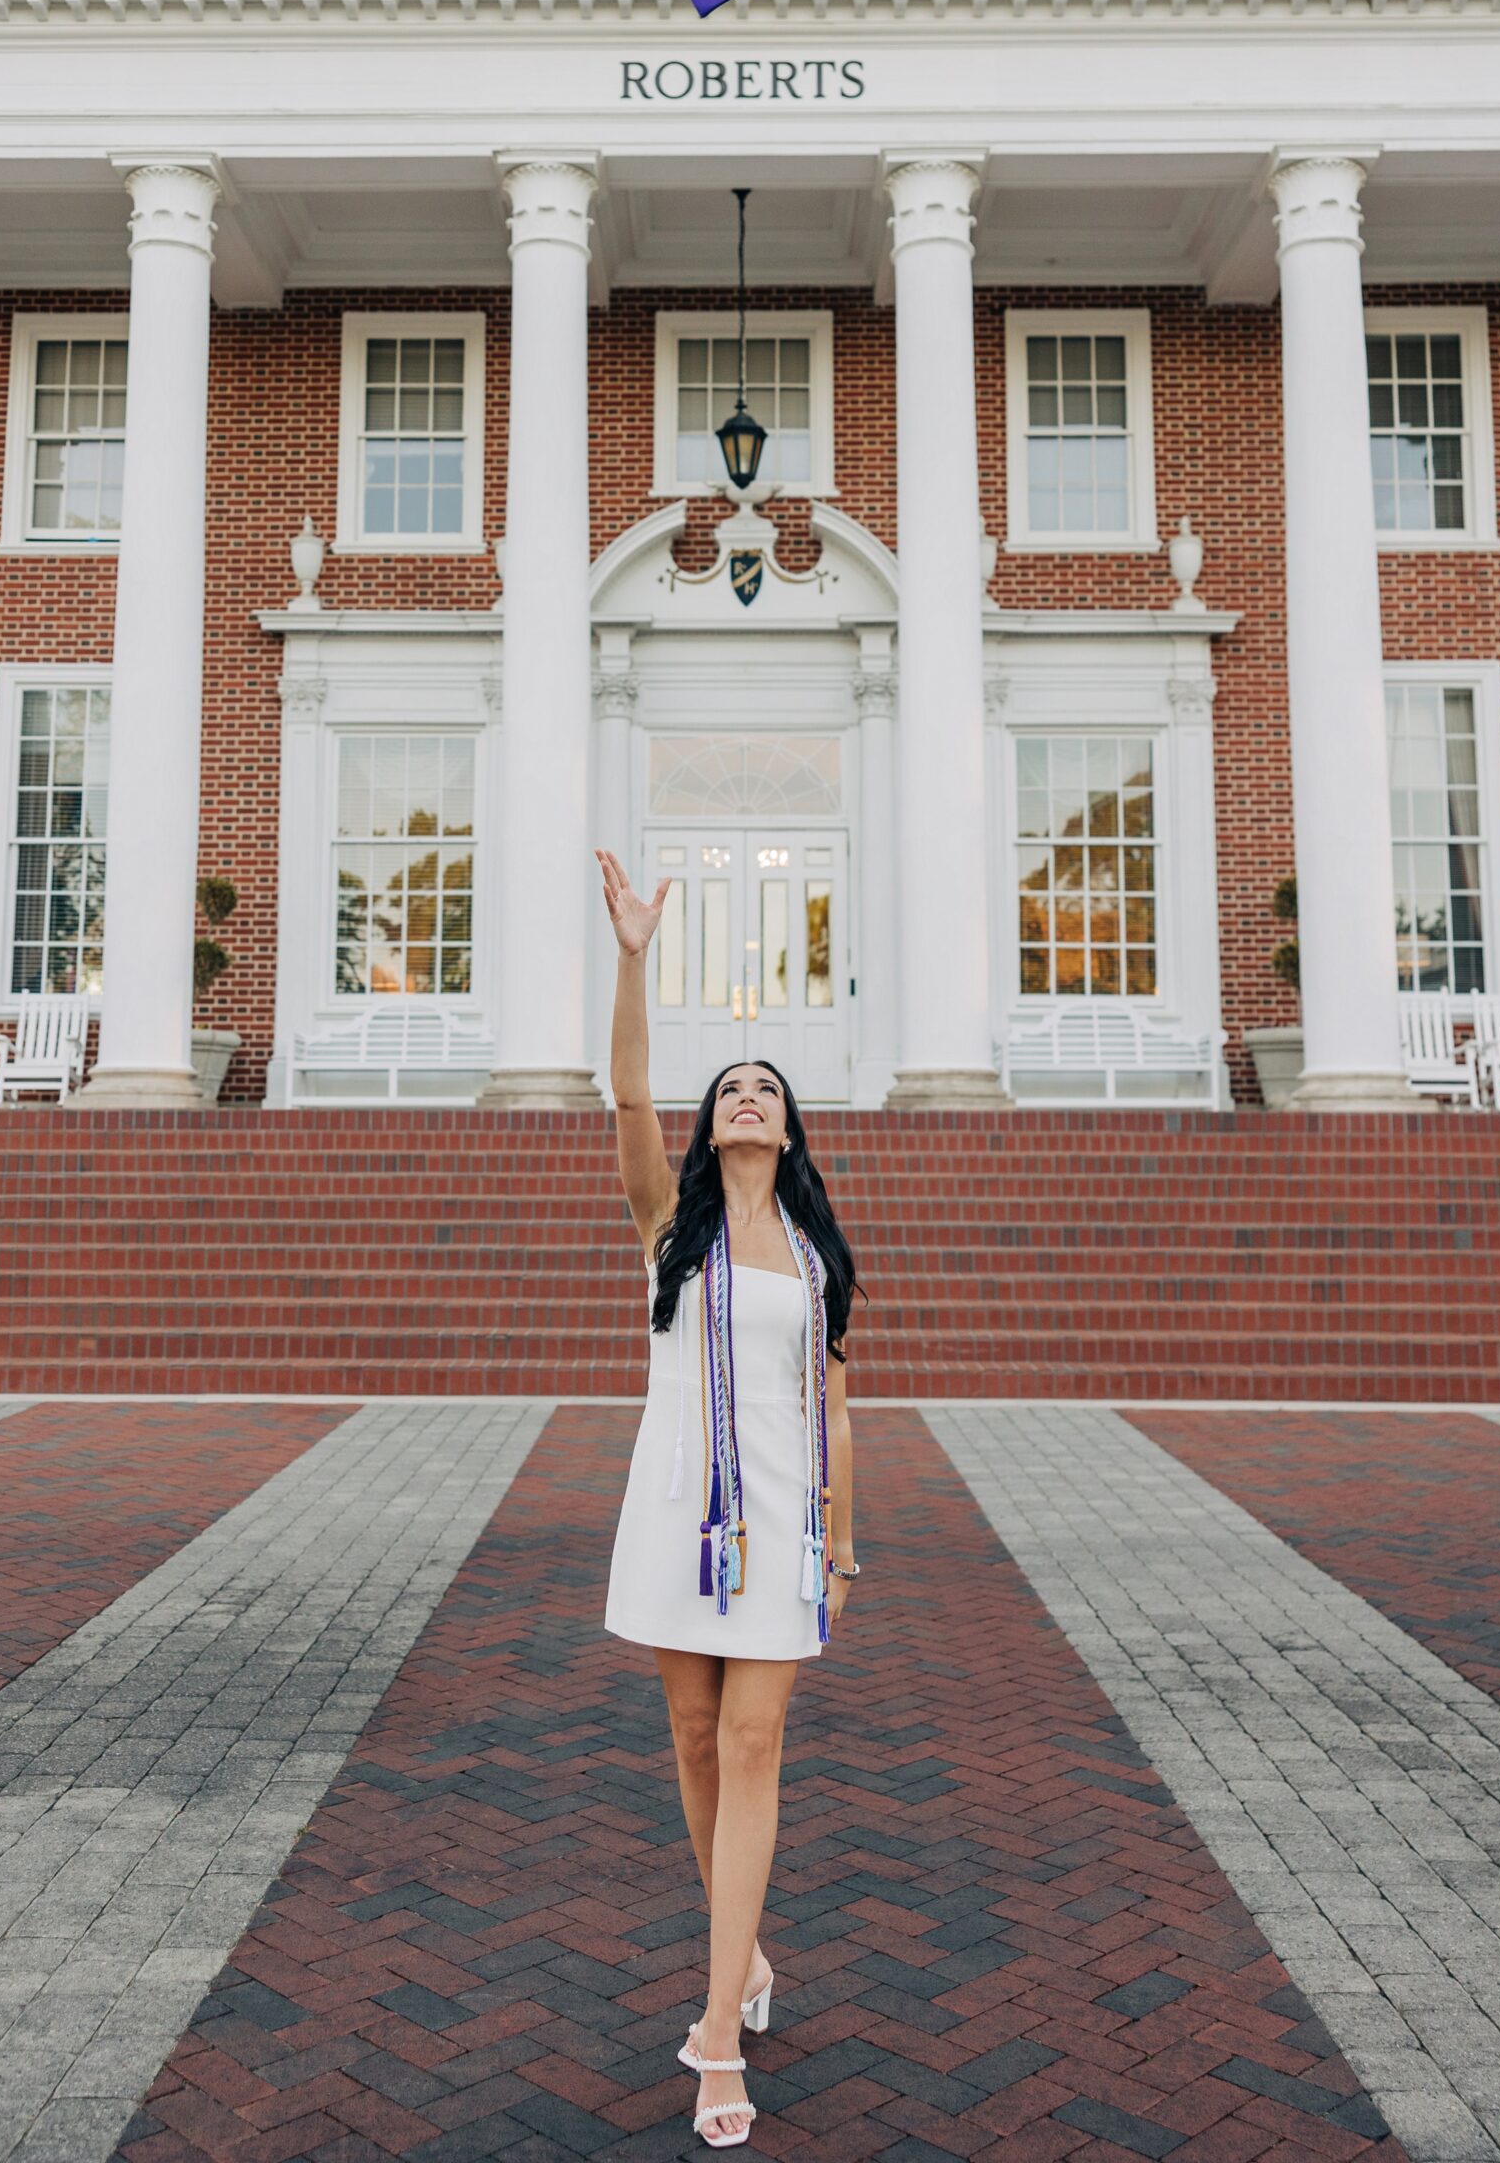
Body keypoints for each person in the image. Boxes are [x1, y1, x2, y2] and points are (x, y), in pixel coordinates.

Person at [594, 847, 861, 2151]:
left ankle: (715, 2038)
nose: (746, 1097)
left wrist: (847, 1540)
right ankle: (744, 1957)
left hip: (779, 1528)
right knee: (695, 1745)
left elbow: (837, 1403)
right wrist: (637, 955)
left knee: (753, 1748)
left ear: (790, 1127)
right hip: (673, 1512)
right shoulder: (670, 1229)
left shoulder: (814, 1259)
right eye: (730, 1089)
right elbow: (629, 1086)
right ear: (709, 1128)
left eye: (767, 1087)